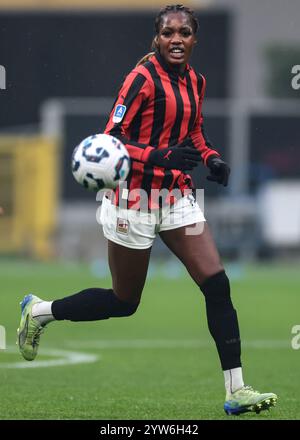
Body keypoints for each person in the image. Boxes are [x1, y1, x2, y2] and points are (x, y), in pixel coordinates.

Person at [17, 4, 277, 416]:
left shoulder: (196, 81)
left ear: (194, 39)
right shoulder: (140, 79)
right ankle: (40, 311)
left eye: (185, 33)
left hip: (176, 198)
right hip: (132, 200)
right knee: (124, 301)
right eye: (169, 33)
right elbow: (110, 138)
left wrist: (210, 158)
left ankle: (236, 390)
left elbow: (193, 130)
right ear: (157, 38)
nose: (177, 39)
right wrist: (159, 155)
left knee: (217, 284)